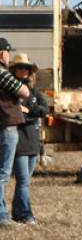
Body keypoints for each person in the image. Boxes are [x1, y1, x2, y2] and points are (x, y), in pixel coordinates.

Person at [10, 53, 47, 225]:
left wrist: (30, 111)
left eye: (26, 67)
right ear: (14, 69)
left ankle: (17, 212)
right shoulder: (9, 89)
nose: (24, 70)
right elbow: (15, 113)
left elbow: (43, 108)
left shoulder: (33, 89)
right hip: (18, 140)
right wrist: (32, 112)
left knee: (25, 181)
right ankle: (27, 214)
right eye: (20, 67)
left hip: (33, 138)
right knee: (23, 180)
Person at [0, 38, 29, 229]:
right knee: (3, 173)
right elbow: (24, 91)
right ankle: (2, 215)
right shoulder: (2, 73)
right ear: (3, 53)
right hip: (6, 125)